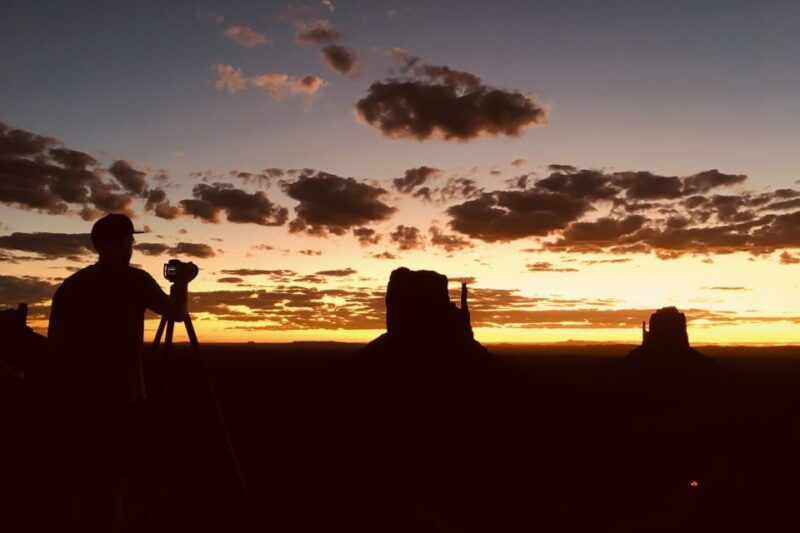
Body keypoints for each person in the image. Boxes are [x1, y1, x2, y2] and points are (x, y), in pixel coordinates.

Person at [47, 213, 197, 532]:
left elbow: (55, 347)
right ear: (118, 244)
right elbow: (177, 314)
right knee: (115, 482)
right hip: (122, 399)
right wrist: (181, 282)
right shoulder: (134, 281)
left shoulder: (70, 287)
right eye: (130, 241)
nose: (132, 247)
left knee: (80, 481)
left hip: (75, 401)